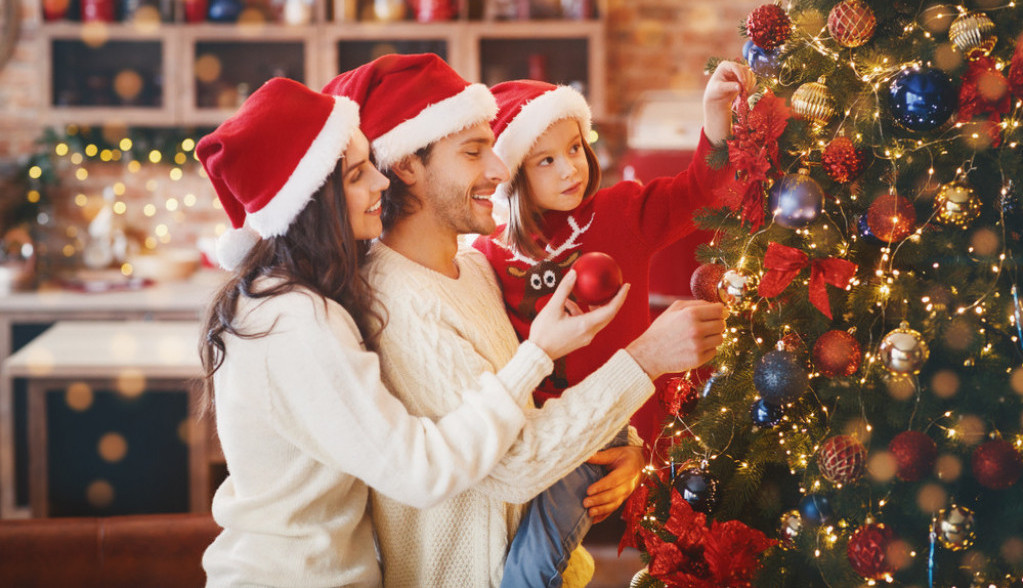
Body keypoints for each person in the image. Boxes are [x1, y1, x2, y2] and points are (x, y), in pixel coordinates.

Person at [195, 77, 626, 587]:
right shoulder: (295, 320)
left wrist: (621, 440)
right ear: (313, 203)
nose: (380, 183)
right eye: (357, 175)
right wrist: (545, 354)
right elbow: (420, 468)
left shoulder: (306, 298)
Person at [322, 53, 727, 587]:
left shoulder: (472, 272)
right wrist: (646, 358)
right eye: (474, 152)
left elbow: (532, 416)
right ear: (406, 166)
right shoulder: (405, 301)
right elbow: (518, 466)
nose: (498, 168)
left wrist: (623, 446)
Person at [472, 64, 755, 586]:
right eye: (546, 161)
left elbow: (698, 192)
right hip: (531, 440)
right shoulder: (488, 253)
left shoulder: (621, 212)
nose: (569, 170)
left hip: (604, 435)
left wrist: (715, 122)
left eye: (575, 149)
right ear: (512, 175)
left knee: (532, 567)